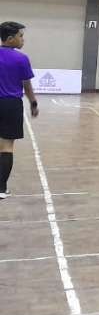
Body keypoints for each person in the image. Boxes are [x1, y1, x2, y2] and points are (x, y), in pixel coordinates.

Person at [0, 21, 39, 199]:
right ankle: (1, 188)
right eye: (20, 36)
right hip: (11, 105)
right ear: (10, 39)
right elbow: (26, 85)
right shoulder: (21, 59)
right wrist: (33, 103)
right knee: (6, 147)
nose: (23, 40)